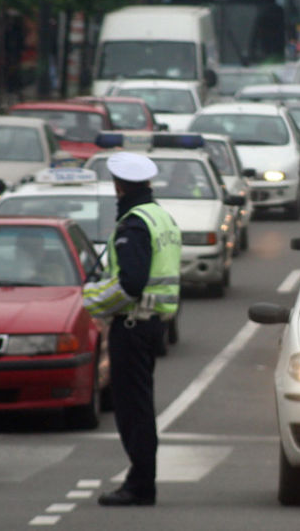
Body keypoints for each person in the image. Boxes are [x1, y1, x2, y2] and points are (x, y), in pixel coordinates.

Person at [82, 151, 182, 506]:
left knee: (133, 410)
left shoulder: (134, 224)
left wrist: (89, 300)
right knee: (139, 406)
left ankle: (140, 485)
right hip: (153, 324)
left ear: (119, 186)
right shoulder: (161, 217)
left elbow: (130, 284)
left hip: (133, 325)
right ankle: (141, 480)